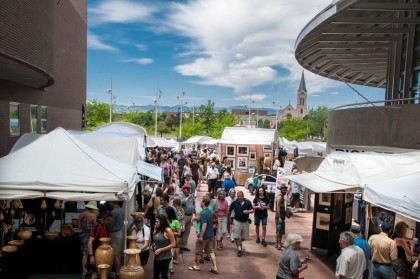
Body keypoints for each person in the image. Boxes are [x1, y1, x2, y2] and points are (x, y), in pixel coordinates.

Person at [188, 195, 218, 274]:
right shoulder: (209, 211)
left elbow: (204, 225)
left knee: (198, 251)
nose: (201, 202)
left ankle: (197, 266)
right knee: (211, 251)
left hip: (204, 236)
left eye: (202, 201)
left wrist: (201, 236)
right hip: (210, 235)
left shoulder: (203, 213)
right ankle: (215, 267)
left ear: (204, 203)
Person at [87, 211, 113, 279]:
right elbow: (90, 242)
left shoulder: (105, 226)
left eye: (110, 220)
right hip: (96, 253)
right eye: (108, 220)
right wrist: (91, 256)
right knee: (95, 273)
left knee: (102, 273)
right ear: (103, 218)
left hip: (103, 253)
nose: (109, 222)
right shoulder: (97, 227)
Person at [229, 191, 254, 257]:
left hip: (245, 221)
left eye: (240, 196)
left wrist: (248, 211)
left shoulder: (248, 202)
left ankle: (239, 243)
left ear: (243, 196)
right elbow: (230, 210)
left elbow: (252, 210)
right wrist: (229, 218)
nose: (239, 197)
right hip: (236, 221)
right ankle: (239, 249)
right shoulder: (234, 203)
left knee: (245, 237)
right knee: (236, 236)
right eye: (238, 196)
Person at [152, 214, 176, 279]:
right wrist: (153, 245)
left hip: (165, 257)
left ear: (162, 222)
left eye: (157, 222)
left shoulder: (168, 230)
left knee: (164, 275)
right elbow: (156, 241)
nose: (155, 223)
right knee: (155, 275)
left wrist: (161, 249)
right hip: (157, 256)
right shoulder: (157, 229)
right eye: (155, 221)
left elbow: (173, 244)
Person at [79, 201, 98, 278]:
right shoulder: (93, 215)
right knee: (92, 253)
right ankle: (92, 271)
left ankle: (84, 272)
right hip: (91, 236)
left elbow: (79, 226)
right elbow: (95, 227)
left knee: (84, 254)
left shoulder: (81, 214)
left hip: (83, 235)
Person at [108, 201, 124, 275]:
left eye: (109, 202)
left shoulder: (113, 212)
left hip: (114, 234)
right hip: (120, 232)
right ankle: (119, 270)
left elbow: (110, 224)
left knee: (115, 253)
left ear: (112, 203)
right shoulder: (121, 210)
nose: (109, 203)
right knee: (119, 253)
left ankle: (117, 271)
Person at [179, 184, 195, 252]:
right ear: (183, 189)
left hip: (190, 215)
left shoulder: (191, 196)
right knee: (181, 230)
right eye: (187, 189)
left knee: (187, 231)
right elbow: (181, 203)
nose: (189, 190)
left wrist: (194, 211)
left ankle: (183, 245)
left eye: (189, 189)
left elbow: (193, 203)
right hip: (184, 215)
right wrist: (187, 198)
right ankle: (178, 246)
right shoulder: (181, 196)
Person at [165, 206, 181, 275]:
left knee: (170, 255)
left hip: (173, 240)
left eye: (166, 212)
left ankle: (170, 268)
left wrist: (172, 232)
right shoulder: (165, 220)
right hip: (165, 240)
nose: (164, 213)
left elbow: (179, 233)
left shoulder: (176, 222)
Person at [275, 183, 289, 249]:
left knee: (279, 230)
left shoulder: (281, 197)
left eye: (285, 190)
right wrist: (280, 217)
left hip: (281, 216)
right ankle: (279, 244)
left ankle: (277, 244)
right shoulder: (280, 197)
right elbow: (278, 207)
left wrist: (286, 213)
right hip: (279, 217)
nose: (285, 191)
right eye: (283, 190)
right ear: (281, 190)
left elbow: (281, 207)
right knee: (279, 231)